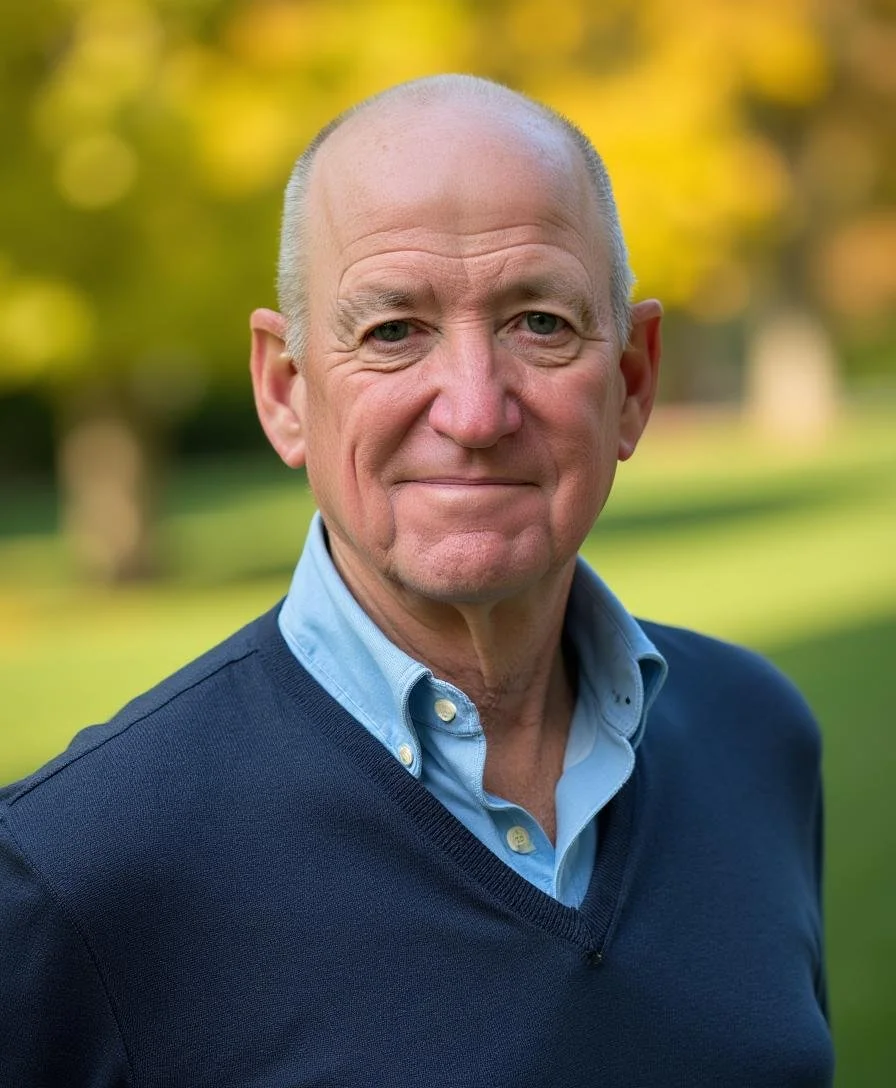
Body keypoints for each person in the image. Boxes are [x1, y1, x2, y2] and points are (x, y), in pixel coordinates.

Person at [0, 75, 833, 1086]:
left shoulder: (755, 738)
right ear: (285, 391)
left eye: (539, 322)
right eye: (392, 331)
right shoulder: (73, 870)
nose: (475, 413)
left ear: (631, 380)